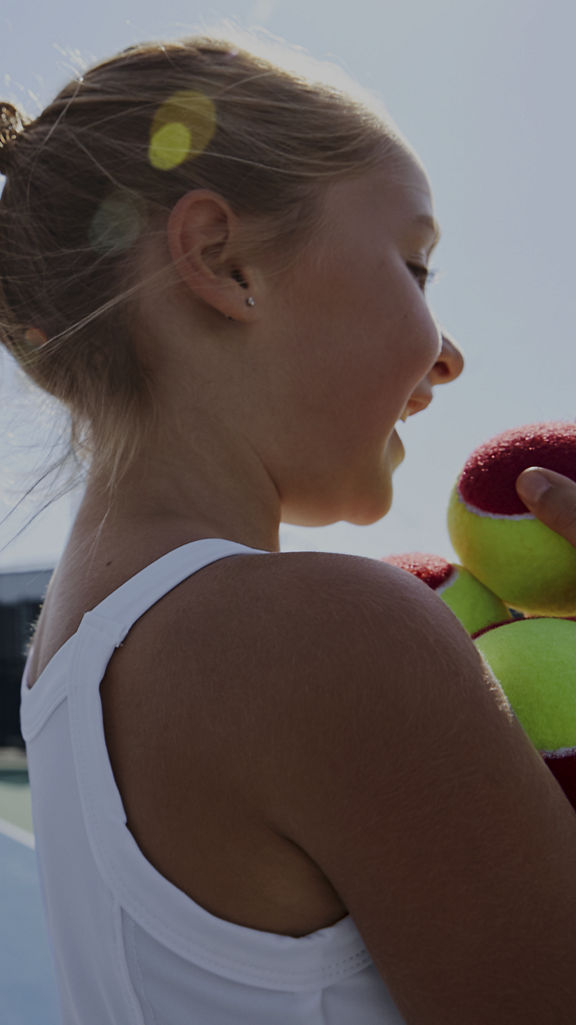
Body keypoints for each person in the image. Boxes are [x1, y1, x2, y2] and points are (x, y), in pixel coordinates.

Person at [1, 32, 576, 1025]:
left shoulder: (63, 664)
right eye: (416, 264)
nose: (451, 358)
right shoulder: (336, 632)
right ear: (225, 263)